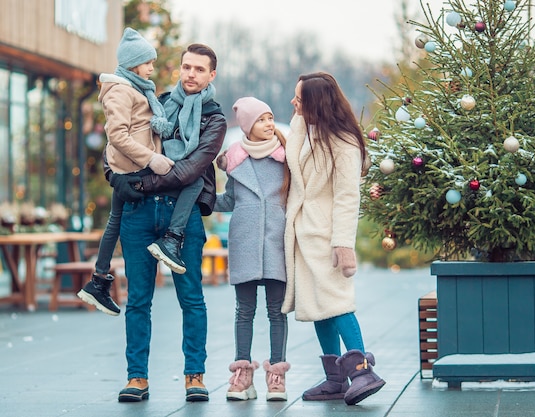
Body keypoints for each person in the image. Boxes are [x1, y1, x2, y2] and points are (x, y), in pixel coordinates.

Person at [109, 43, 227, 403]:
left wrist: (141, 183)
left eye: (198, 69)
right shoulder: (154, 102)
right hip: (140, 214)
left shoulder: (215, 120)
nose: (190, 74)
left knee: (191, 298)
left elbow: (190, 170)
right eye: (186, 67)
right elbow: (119, 144)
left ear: (211, 75)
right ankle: (137, 378)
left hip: (183, 215)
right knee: (139, 300)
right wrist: (115, 178)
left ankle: (195, 375)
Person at [281, 72, 385, 406]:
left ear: (316, 102)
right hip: (302, 231)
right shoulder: (302, 127)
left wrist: (343, 243)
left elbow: (346, 196)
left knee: (337, 302)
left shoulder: (344, 143)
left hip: (326, 234)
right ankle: (335, 379)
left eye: (299, 98)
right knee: (317, 305)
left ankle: (363, 372)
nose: (293, 103)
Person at [77, 27, 177, 316]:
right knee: (117, 222)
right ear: (134, 63)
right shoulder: (120, 91)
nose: (152, 68)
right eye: (148, 63)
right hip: (132, 169)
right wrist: (152, 160)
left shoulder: (135, 88)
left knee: (115, 222)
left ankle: (98, 280)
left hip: (130, 169)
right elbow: (117, 136)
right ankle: (98, 280)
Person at [213, 97, 290, 402]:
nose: (269, 124)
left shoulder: (287, 158)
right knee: (244, 311)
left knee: (276, 311)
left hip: (276, 239)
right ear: (248, 125)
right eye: (261, 119)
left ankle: (276, 376)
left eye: (270, 118)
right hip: (245, 239)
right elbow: (229, 201)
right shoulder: (235, 160)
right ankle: (243, 375)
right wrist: (201, 199)